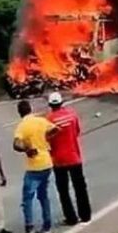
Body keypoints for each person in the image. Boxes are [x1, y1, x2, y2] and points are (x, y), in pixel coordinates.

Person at [13, 99, 58, 233]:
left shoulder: (22, 126)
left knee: (27, 198)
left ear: (20, 112)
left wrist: (27, 149)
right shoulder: (40, 121)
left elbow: (16, 144)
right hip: (47, 162)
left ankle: (29, 229)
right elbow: (56, 129)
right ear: (30, 109)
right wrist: (46, 139)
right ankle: (47, 226)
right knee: (43, 195)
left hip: (34, 166)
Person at [45, 91, 92, 225]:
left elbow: (47, 139)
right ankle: (85, 215)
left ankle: (71, 218)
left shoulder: (49, 120)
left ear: (50, 105)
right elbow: (77, 132)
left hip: (58, 160)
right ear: (62, 103)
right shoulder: (72, 115)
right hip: (74, 157)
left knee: (63, 190)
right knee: (80, 187)